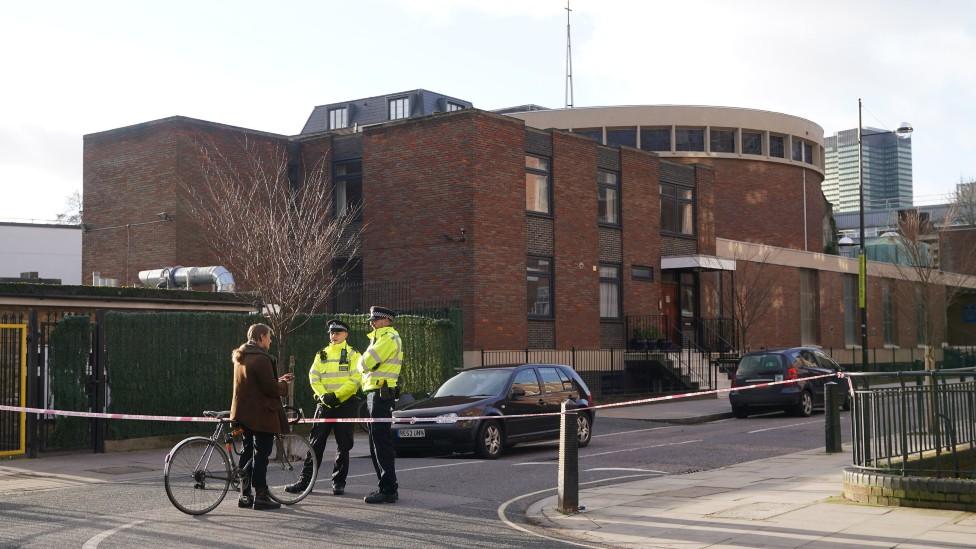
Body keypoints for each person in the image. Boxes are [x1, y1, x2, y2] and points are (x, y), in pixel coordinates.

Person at [286, 319, 362, 496]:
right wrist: (323, 396)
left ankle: (338, 483)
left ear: (346, 334)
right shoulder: (321, 354)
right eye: (331, 333)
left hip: (345, 405)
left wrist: (337, 396)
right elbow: (314, 377)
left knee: (344, 446)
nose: (334, 335)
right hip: (324, 404)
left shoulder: (354, 354)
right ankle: (305, 482)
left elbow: (355, 379)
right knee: (315, 444)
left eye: (338, 332)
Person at [230, 323, 294, 510]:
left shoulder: (241, 356)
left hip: (242, 414)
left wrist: (277, 379)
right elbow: (270, 388)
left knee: (247, 453)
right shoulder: (261, 358)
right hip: (261, 415)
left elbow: (255, 384)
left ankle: (245, 495)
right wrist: (283, 385)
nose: (271, 340)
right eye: (269, 337)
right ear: (260, 337)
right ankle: (261, 496)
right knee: (261, 455)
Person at [358, 305, 404, 504]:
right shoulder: (379, 338)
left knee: (381, 443)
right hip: (375, 394)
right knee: (376, 443)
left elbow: (364, 363)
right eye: (371, 320)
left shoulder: (388, 338)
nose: (372, 323)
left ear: (386, 320)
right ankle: (385, 486)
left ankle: (388, 489)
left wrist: (362, 363)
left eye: (375, 320)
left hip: (380, 395)